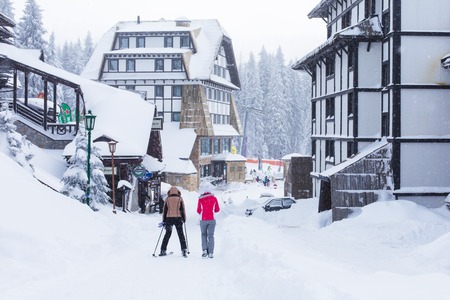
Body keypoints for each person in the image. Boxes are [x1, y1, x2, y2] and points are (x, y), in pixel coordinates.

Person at [159, 186, 188, 257]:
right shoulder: (180, 199)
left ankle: (163, 250)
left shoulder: (167, 199)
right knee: (181, 234)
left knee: (167, 234)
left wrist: (164, 220)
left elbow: (165, 210)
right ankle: (184, 249)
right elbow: (182, 209)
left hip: (169, 218)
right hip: (178, 218)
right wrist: (184, 218)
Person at [197, 191, 220, 258]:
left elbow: (198, 210)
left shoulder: (200, 199)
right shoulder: (214, 198)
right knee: (211, 236)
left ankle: (204, 250)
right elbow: (217, 209)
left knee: (203, 235)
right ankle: (210, 253)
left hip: (203, 220)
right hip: (212, 219)